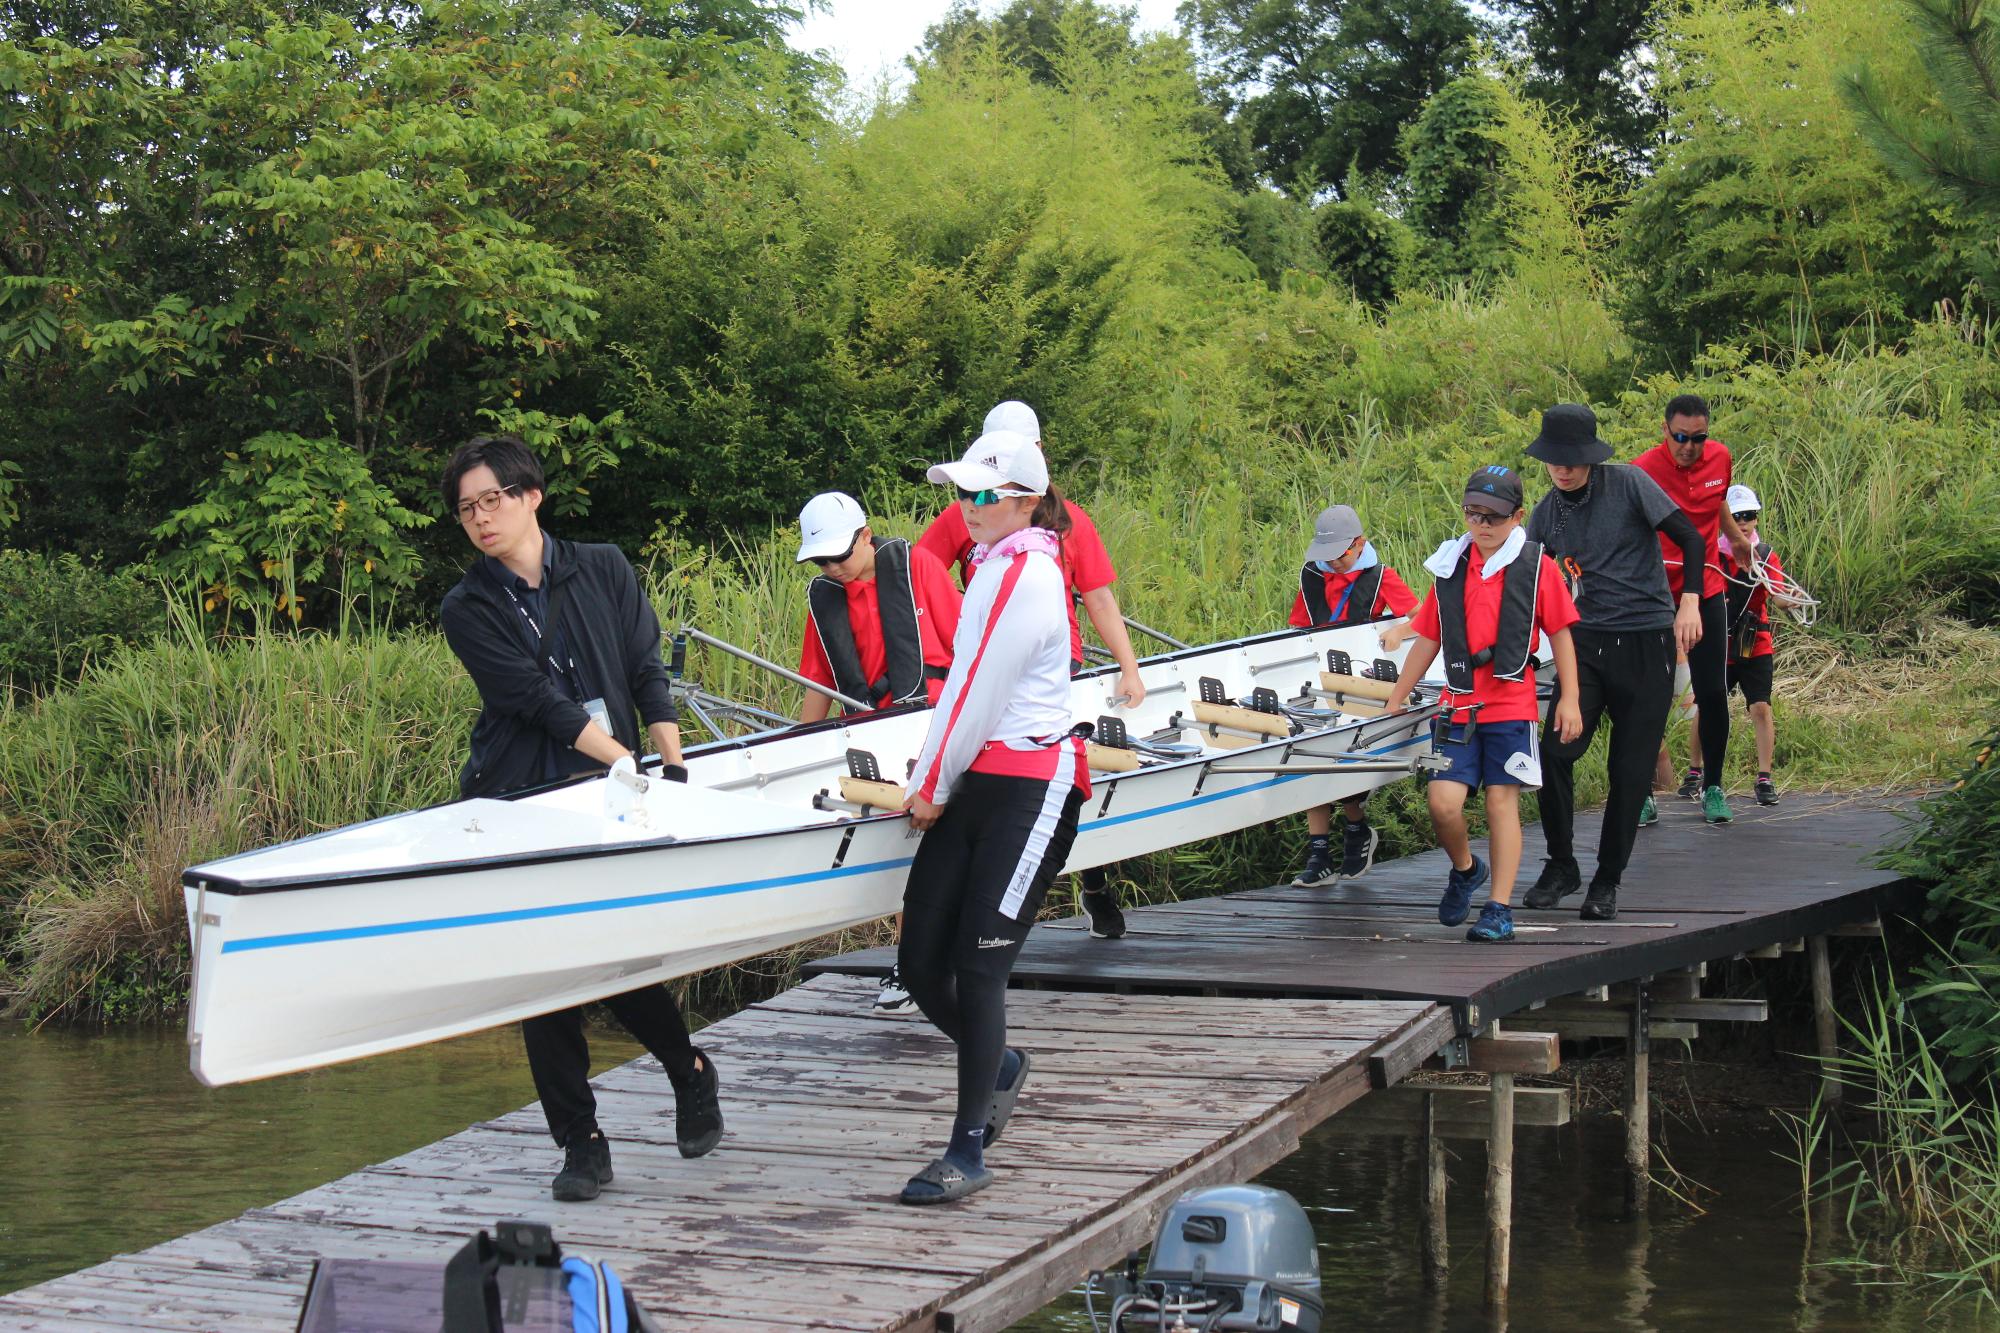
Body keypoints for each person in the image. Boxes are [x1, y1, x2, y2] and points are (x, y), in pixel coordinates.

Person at [437, 433, 723, 1203]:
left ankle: (688, 1070)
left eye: (491, 499)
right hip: (521, 796)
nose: (480, 518)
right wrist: (617, 754)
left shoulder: (602, 565)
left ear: (531, 494)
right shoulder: (466, 607)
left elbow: (642, 662)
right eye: (466, 509)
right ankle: (580, 1140)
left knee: (614, 954)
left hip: (612, 790)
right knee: (544, 971)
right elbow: (531, 698)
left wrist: (668, 753)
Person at [895, 428, 1090, 1204]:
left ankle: (967, 1148)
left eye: (981, 493)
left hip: (1033, 787)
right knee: (916, 966)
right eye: (962, 492)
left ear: (1024, 500)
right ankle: (1000, 1062)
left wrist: (929, 785)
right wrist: (936, 778)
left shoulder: (1029, 574)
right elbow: (960, 696)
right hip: (977, 779)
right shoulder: (990, 564)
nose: (966, 506)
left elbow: (974, 690)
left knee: (979, 969)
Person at [917, 400, 1144, 941]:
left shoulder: (1070, 521)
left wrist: (1129, 668)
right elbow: (920, 573)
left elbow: (1099, 598)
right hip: (987, 657)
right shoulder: (968, 509)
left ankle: (1093, 882)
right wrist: (957, 631)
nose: (975, 501)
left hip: (1051, 660)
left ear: (1037, 454)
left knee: (1049, 783)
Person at [1519, 404, 1707, 921]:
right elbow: (1526, 580)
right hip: (1585, 648)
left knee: (1629, 770)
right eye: (1555, 460)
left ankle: (1607, 879)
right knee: (1554, 753)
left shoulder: (1629, 484)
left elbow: (1690, 537)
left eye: (1574, 460)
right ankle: (1561, 865)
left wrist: (1689, 600)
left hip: (1646, 643)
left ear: (1592, 457)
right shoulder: (1546, 511)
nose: (1564, 469)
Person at [1382, 467, 1582, 942]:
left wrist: (1570, 697)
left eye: (1493, 516)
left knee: (1500, 802)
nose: (1483, 525)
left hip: (1512, 706)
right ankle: (1466, 869)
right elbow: (1427, 638)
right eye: (1474, 514)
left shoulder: (1537, 566)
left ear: (1516, 517)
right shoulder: (1451, 566)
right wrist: (1395, 698)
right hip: (1459, 707)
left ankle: (1498, 907)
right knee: (1443, 802)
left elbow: (1561, 633)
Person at [795, 491, 963, 1014]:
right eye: (821, 560)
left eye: (840, 556)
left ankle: (917, 966)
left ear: (866, 536)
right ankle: (914, 964)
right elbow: (818, 680)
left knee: (932, 856)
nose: (832, 568)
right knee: (902, 857)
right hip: (869, 740)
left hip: (931, 729)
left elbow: (969, 650)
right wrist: (802, 747)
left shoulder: (920, 569)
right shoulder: (825, 597)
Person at [1632, 394, 1755, 825]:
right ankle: (1643, 791)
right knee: (1649, 694)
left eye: (1698, 438)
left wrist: (1735, 539)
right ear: (1664, 430)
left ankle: (1714, 786)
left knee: (1711, 690)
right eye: (1681, 437)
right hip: (1655, 593)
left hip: (1704, 586)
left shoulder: (1720, 457)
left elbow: (1716, 498)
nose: (1689, 446)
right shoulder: (1642, 470)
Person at [1286, 504, 1419, 885]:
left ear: (1359, 544)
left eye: (1341, 554)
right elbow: (1298, 626)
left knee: (1346, 763)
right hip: (1321, 677)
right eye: (1327, 555)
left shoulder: (1382, 576)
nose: (1334, 563)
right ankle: (1319, 853)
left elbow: (1422, 617)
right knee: (1312, 757)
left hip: (1363, 681)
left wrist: (1397, 632)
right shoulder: (1311, 575)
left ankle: (1357, 830)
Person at [1688, 484, 1786, 806]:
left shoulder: (1765, 556)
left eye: (1749, 516)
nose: (1743, 522)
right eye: (1737, 515)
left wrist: (1793, 601)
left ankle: (1764, 778)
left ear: (1757, 519)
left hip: (1755, 641)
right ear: (1725, 517)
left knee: (1761, 707)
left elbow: (1779, 595)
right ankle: (1694, 772)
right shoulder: (1711, 556)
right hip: (1719, 643)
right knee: (1708, 705)